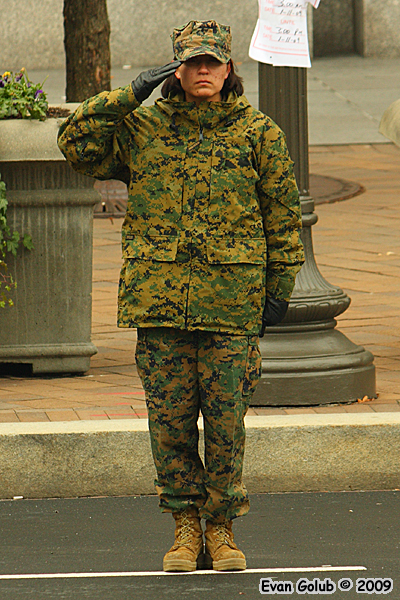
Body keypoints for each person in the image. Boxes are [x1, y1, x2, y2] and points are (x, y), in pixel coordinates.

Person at [58, 20, 304, 573]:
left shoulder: (257, 133)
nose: (203, 71)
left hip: (232, 303)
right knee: (169, 423)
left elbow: (283, 216)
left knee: (225, 422)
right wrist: (128, 94)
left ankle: (221, 528)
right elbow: (76, 143)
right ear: (175, 68)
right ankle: (184, 527)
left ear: (229, 67)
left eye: (212, 62)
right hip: (161, 303)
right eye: (192, 62)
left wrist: (279, 289)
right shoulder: (145, 127)